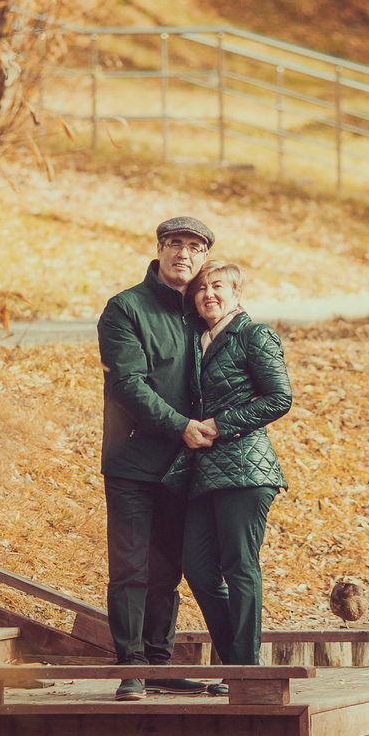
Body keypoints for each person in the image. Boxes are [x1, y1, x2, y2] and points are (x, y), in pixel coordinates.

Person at [96, 216, 233, 701]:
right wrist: (181, 426)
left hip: (184, 466)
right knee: (131, 568)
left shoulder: (200, 310)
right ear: (159, 249)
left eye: (194, 247)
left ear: (202, 257)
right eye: (175, 244)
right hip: (133, 461)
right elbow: (128, 385)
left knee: (167, 570)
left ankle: (158, 662)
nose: (183, 254)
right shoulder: (125, 309)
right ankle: (131, 668)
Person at [181, 260, 291, 669]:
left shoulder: (254, 335)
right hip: (204, 472)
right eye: (202, 288)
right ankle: (238, 665)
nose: (209, 293)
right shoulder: (196, 339)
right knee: (197, 568)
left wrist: (220, 424)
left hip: (246, 469)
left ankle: (245, 669)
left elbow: (280, 398)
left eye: (219, 286)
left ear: (237, 294)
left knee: (239, 566)